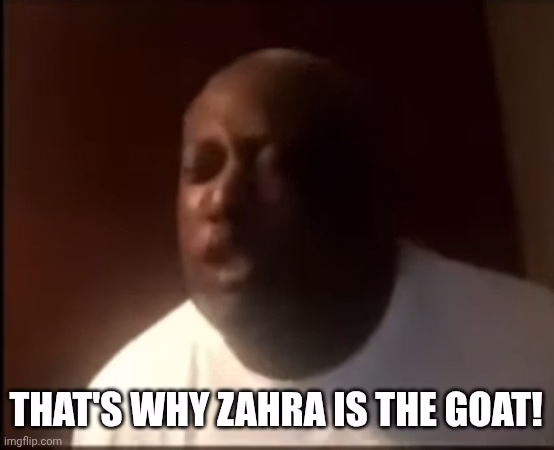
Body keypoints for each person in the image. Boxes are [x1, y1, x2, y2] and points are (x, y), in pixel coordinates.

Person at [73, 49, 554, 446]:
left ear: (357, 190)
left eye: (269, 165)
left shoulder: (532, 350)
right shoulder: (126, 412)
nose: (222, 199)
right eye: (202, 168)